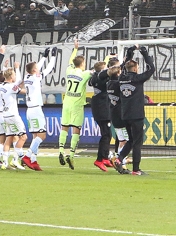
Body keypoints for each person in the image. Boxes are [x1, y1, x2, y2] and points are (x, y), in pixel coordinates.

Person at [115, 46, 156, 176]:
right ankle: (136, 169)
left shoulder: (121, 78)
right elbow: (152, 69)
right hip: (137, 114)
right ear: (135, 69)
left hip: (125, 114)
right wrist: (144, 52)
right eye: (137, 67)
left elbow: (121, 67)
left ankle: (119, 158)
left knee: (131, 140)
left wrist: (130, 52)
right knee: (137, 142)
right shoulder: (138, 79)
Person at [22, 48, 55, 171]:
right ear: (35, 70)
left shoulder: (27, 77)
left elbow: (37, 67)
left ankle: (34, 161)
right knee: (42, 135)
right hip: (36, 109)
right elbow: (49, 68)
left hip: (29, 110)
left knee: (36, 135)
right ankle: (28, 155)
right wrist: (53, 57)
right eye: (37, 67)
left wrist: (44, 57)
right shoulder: (36, 78)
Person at [59, 40, 91, 169]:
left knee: (64, 127)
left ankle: (60, 150)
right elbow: (100, 70)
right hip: (77, 105)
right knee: (76, 128)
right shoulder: (85, 74)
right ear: (82, 64)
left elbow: (70, 61)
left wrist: (75, 49)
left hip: (66, 103)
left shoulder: (69, 71)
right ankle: (71, 155)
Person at [0, 65, 28, 170]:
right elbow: (23, 91)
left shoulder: (2, 86)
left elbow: (17, 85)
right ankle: (16, 159)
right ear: (11, 76)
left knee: (9, 138)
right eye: (14, 74)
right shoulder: (11, 87)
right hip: (13, 115)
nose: (15, 76)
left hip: (5, 115)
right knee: (23, 137)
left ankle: (5, 162)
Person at [88, 59, 112, 172]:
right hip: (102, 109)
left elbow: (91, 81)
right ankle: (99, 159)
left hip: (99, 108)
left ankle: (105, 157)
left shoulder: (94, 78)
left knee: (108, 134)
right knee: (106, 134)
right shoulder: (101, 79)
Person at [107, 62, 129, 173]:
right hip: (121, 115)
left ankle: (121, 160)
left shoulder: (109, 84)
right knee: (126, 141)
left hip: (114, 114)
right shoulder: (118, 85)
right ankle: (121, 161)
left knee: (122, 140)